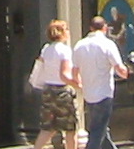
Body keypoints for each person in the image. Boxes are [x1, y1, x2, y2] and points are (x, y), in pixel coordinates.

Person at [73, 16, 128, 149]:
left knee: (100, 126)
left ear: (91, 28)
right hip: (104, 93)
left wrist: (79, 84)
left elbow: (74, 71)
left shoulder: (79, 45)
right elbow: (120, 68)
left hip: (89, 93)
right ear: (104, 28)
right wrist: (126, 73)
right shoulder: (108, 44)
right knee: (98, 129)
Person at [32, 20, 79, 149]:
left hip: (48, 90)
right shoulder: (64, 50)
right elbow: (64, 75)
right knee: (70, 128)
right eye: (67, 29)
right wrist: (78, 84)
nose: (69, 32)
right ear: (62, 33)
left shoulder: (46, 49)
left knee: (47, 127)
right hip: (62, 92)